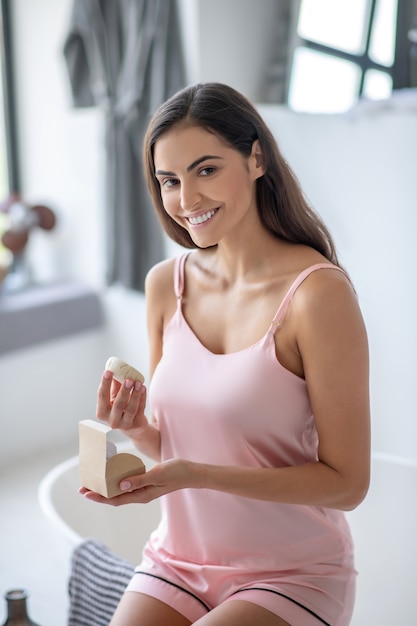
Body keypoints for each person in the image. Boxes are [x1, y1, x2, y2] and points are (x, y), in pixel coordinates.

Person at [80, 82, 371, 626]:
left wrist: (197, 474)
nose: (186, 200)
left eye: (206, 170)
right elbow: (174, 442)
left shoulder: (317, 294)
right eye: (170, 180)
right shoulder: (167, 284)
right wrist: (139, 428)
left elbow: (348, 483)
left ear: (256, 158)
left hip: (293, 572)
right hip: (176, 559)